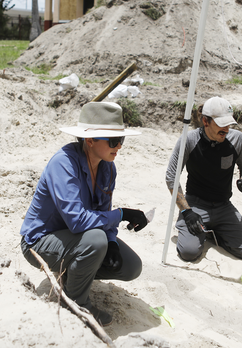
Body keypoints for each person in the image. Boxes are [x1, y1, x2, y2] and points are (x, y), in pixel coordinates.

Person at [20, 101, 150, 326]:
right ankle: (76, 303)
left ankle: (73, 274)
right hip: (39, 243)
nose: (118, 146)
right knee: (96, 240)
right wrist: (121, 214)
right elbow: (78, 221)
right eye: (113, 141)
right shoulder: (64, 163)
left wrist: (113, 244)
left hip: (78, 239)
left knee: (130, 266)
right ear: (89, 140)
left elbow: (102, 213)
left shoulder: (108, 167)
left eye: (121, 140)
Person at [165, 96, 242, 262]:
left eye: (228, 124)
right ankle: (195, 228)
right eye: (221, 124)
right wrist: (186, 210)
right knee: (189, 253)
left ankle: (213, 233)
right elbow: (171, 176)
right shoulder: (189, 140)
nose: (226, 129)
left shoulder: (237, 139)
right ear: (205, 121)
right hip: (195, 205)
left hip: (223, 206)